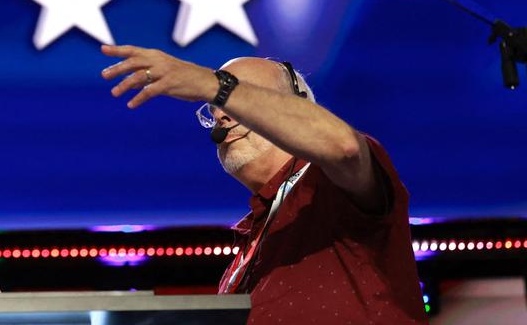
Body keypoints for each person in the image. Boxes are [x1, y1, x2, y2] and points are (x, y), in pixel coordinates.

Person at [101, 43, 425, 324]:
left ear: (298, 107)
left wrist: (213, 85)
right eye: (215, 109)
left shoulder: (329, 183)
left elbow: (345, 147)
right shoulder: (249, 246)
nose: (221, 115)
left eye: (244, 99)